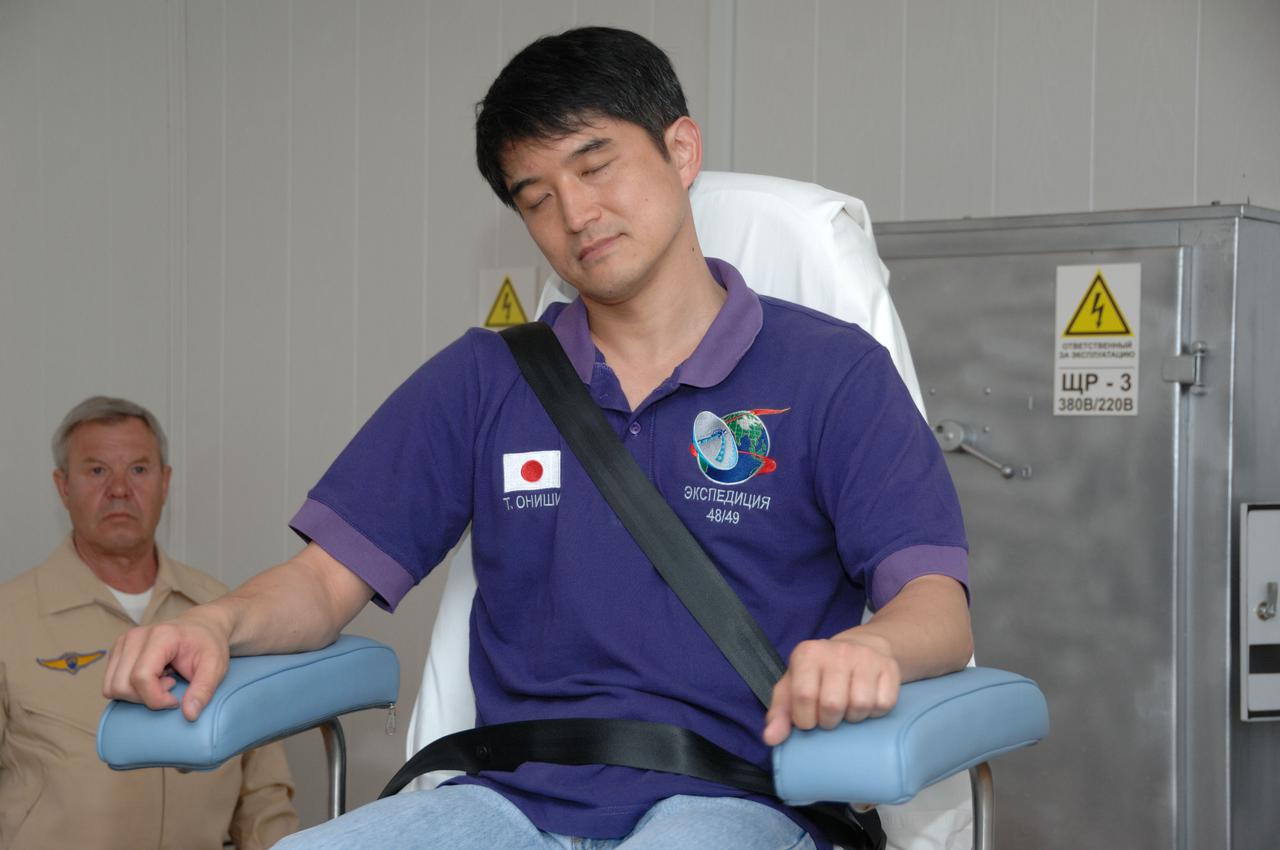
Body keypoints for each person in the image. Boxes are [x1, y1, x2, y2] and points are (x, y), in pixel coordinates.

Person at [103, 27, 972, 850]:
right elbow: (321, 583)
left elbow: (935, 606)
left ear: (681, 151)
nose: (577, 214)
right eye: (538, 197)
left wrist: (869, 647)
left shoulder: (832, 373)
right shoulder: (484, 379)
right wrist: (215, 624)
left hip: (735, 797)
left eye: (597, 167)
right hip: (503, 804)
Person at [0, 396, 299, 850]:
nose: (119, 489)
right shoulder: (10, 618)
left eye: (138, 470)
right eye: (97, 470)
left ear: (165, 482)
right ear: (62, 487)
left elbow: (264, 792)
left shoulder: (222, 613)